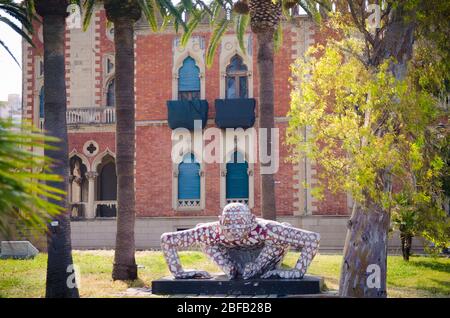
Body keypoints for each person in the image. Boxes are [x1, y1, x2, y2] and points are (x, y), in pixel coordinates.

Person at [161, 203, 320, 279]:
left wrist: (296, 272)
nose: (234, 229)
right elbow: (168, 240)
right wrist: (180, 273)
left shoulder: (267, 229)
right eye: (229, 223)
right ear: (221, 221)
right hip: (233, 261)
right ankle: (231, 270)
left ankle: (254, 269)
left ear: (252, 221)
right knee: (206, 240)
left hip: (263, 260)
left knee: (278, 240)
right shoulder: (212, 230)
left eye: (240, 222)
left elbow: (312, 239)